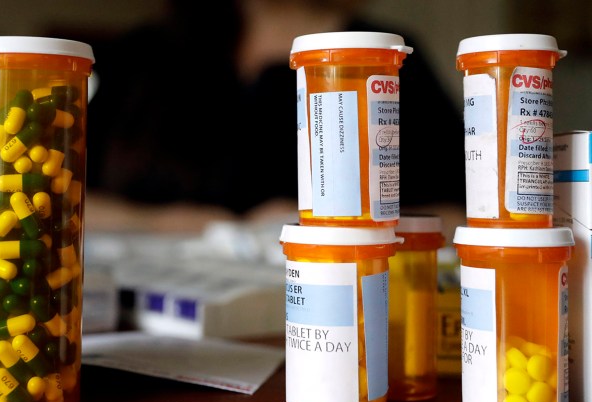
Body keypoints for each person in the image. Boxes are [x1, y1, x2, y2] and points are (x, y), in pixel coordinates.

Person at [74, 0, 466, 232]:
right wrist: (163, 224)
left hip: (330, 306)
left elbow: (460, 214)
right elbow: (66, 199)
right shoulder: (144, 54)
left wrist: (330, 224)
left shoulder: (385, 57)